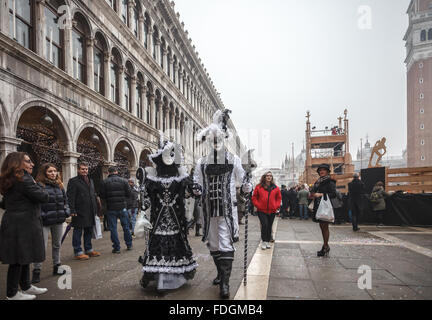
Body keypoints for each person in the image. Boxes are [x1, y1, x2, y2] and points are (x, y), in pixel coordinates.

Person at [193, 109, 252, 299]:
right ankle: (220, 273)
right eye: (213, 140)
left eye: (219, 140)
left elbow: (243, 182)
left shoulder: (233, 159)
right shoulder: (201, 162)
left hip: (227, 209)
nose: (216, 143)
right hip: (209, 210)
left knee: (225, 243)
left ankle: (225, 284)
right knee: (213, 243)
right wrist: (196, 190)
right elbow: (198, 183)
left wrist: (246, 186)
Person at [139, 137, 198, 292]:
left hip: (175, 220)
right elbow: (146, 197)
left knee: (173, 245)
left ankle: (168, 279)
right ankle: (156, 277)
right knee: (157, 245)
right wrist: (144, 202)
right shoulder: (152, 179)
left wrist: (194, 186)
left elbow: (194, 191)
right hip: (158, 220)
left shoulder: (180, 179)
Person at [0, 152, 49, 300]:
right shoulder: (25, 179)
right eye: (28, 161)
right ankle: (12, 293)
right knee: (18, 258)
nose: (32, 164)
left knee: (24, 255)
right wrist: (38, 185)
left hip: (16, 222)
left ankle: (26, 286)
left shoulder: (11, 179)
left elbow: (4, 203)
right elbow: (43, 197)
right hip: (23, 224)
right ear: (17, 164)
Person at [32, 163, 70, 284]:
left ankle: (57, 267)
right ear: (44, 173)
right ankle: (37, 270)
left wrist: (66, 211)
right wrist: (42, 215)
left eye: (54, 171)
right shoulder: (39, 185)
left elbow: (66, 200)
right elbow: (36, 204)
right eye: (50, 171)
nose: (53, 173)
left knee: (57, 244)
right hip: (44, 221)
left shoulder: (60, 185)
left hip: (58, 219)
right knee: (41, 246)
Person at [67, 162, 101, 260]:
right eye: (82, 169)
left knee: (88, 231)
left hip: (90, 211)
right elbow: (70, 196)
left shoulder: (90, 180)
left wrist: (96, 209)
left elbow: (92, 195)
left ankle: (89, 249)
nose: (84, 171)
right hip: (79, 211)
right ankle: (78, 251)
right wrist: (72, 209)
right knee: (78, 231)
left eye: (86, 169)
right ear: (78, 170)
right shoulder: (73, 181)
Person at [99, 167, 133, 253]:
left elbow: (102, 195)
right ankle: (129, 244)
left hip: (111, 208)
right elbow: (129, 194)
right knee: (126, 227)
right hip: (122, 207)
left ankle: (117, 247)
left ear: (108, 173)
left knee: (113, 228)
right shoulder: (124, 181)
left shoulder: (104, 182)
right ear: (116, 172)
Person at [311, 164, 337, 257]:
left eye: (323, 170)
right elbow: (314, 191)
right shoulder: (318, 181)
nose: (321, 171)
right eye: (320, 170)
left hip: (325, 206)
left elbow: (333, 194)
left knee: (325, 227)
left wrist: (321, 194)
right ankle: (325, 245)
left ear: (327, 171)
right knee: (322, 227)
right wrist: (313, 194)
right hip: (319, 206)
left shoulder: (330, 181)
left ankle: (325, 246)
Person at [252, 172, 282, 250]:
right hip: (261, 210)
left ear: (272, 177)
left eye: (270, 176)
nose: (269, 177)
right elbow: (254, 197)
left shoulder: (275, 187)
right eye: (267, 176)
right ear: (264, 177)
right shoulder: (259, 187)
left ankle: (268, 241)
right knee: (264, 225)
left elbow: (279, 198)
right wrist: (257, 205)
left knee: (269, 226)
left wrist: (276, 205)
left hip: (272, 210)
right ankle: (264, 241)